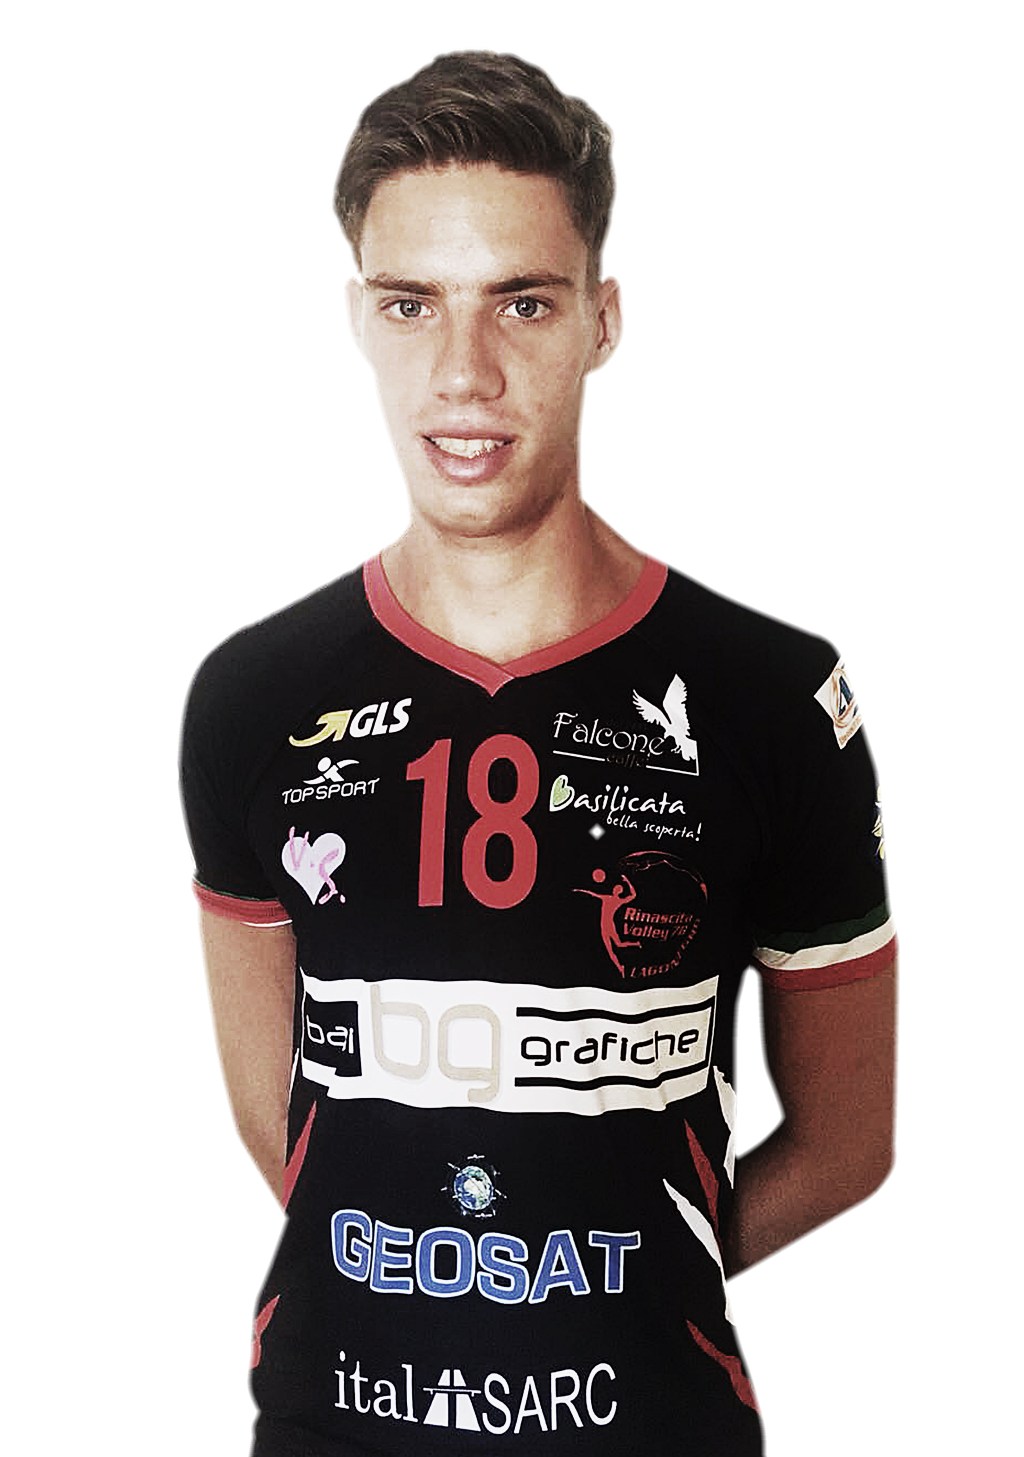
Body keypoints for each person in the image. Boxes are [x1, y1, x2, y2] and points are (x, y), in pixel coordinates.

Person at [180, 50, 896, 1457]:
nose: (465, 372)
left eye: (522, 300)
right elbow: (293, 1133)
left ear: (600, 321)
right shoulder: (254, 698)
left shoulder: (772, 697)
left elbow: (848, 1142)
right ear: (360, 319)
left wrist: (625, 1287)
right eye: (412, 305)